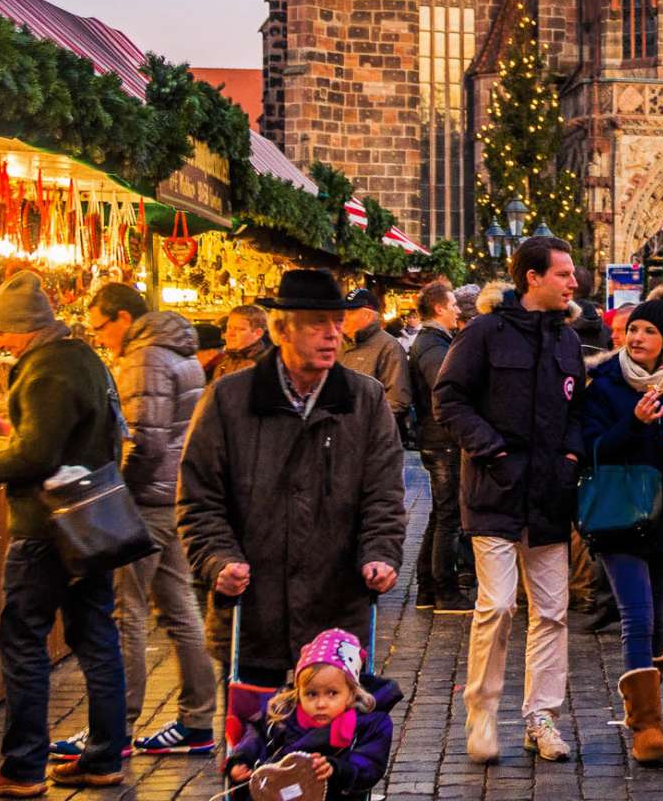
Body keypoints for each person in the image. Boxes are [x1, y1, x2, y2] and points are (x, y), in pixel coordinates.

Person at [176, 270, 405, 712]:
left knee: (334, 751)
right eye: (316, 323)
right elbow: (199, 498)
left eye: (336, 323)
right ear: (282, 329)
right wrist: (218, 560)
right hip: (255, 605)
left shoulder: (365, 400)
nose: (332, 335)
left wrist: (380, 553)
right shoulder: (228, 400)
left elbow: (384, 495)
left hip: (337, 602)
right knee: (252, 753)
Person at [0, 271, 131, 797]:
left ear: (25, 328)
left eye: (4, 333)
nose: (1, 343)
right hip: (92, 523)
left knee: (23, 641)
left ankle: (22, 766)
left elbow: (36, 454)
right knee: (97, 637)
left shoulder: (46, 370)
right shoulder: (83, 356)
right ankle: (105, 757)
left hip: (47, 528)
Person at [433, 235, 586, 765]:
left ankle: (541, 715)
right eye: (564, 274)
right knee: (497, 604)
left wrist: (570, 456)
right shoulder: (485, 333)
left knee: (552, 612)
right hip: (495, 489)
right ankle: (482, 710)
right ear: (532, 278)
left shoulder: (568, 340)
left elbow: (577, 411)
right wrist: (489, 448)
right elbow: (447, 397)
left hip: (548, 495)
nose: (573, 283)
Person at [70, 281, 216, 760]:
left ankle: (115, 725)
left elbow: (145, 439)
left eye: (100, 328)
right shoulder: (179, 349)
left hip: (147, 501)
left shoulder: (145, 356)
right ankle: (196, 721)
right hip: (173, 495)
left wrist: (118, 494)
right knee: (178, 608)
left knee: (126, 612)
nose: (99, 338)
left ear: (122, 319)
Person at [578, 297, 663, 765]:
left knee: (659, 619)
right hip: (618, 514)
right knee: (636, 613)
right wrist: (633, 425)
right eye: (633, 329)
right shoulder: (605, 384)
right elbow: (593, 449)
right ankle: (647, 726)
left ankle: (646, 706)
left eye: (648, 331)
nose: (637, 338)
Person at [221, 627, 400, 801]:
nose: (321, 704)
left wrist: (337, 770)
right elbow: (256, 739)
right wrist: (241, 761)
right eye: (311, 694)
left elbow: (370, 766)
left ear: (351, 694)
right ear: (298, 692)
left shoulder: (369, 724)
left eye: (332, 693)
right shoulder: (282, 715)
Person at [406, 282, 472, 613]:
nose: (458, 310)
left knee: (441, 513)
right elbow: (446, 386)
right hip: (442, 440)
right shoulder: (432, 345)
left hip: (438, 438)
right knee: (449, 516)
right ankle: (444, 590)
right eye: (453, 304)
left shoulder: (435, 342)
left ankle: (427, 587)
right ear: (439, 309)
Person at [336, 287, 412, 438]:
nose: (343, 317)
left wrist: (364, 427)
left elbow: (398, 400)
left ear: (367, 315)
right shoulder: (336, 343)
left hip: (368, 439)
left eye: (349, 313)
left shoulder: (389, 347)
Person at [209, 304, 271, 382]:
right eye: (229, 328)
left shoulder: (261, 366)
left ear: (258, 333)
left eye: (239, 329)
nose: (230, 334)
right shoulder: (225, 360)